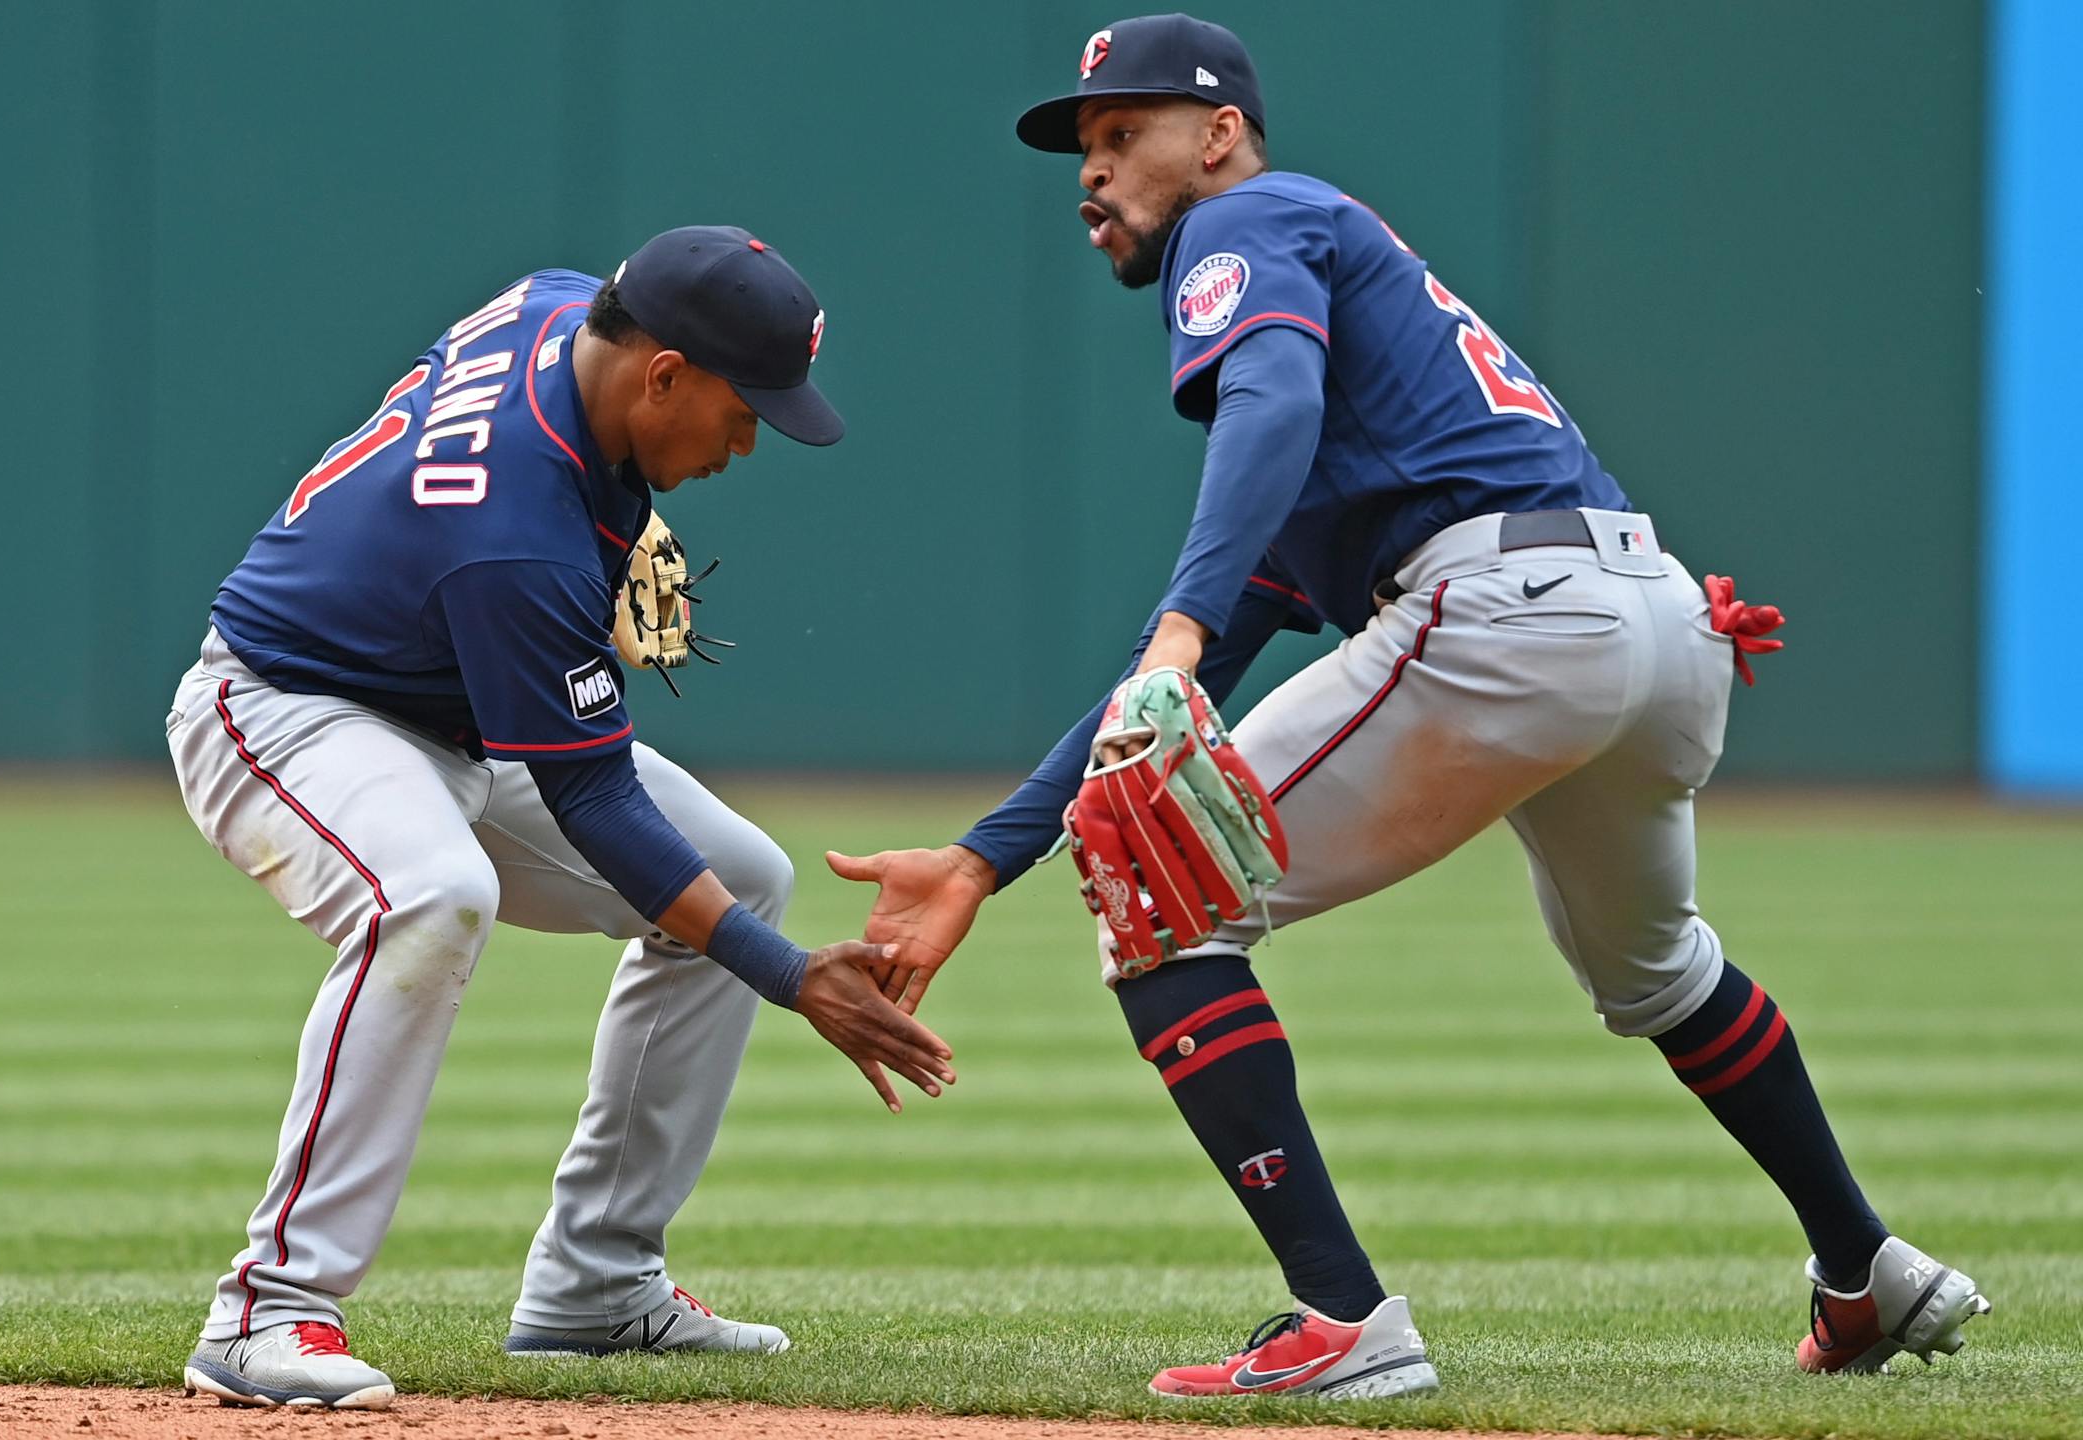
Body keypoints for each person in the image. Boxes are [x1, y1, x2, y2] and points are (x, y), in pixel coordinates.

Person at [828, 15, 1988, 1400]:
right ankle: (1867, 1271)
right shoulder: (1344, 336)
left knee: (1163, 905)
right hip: (1653, 618)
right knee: (1662, 971)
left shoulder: (1246, 219)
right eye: (1084, 148)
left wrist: (1181, 639)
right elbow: (1220, 609)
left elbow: (1259, 412)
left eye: (1120, 135)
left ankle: (1343, 1321)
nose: (1094, 173)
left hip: (1508, 618)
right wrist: (979, 859)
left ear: (1216, 135)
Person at [166, 227, 953, 1410]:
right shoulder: (515, 539)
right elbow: (593, 799)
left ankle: (597, 1283)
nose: (751, 440)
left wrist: (606, 513)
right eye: (747, 408)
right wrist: (789, 978)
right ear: (666, 374)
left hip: (457, 704)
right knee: (431, 898)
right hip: (287, 708)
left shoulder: (572, 305)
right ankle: (269, 1309)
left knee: (737, 875)